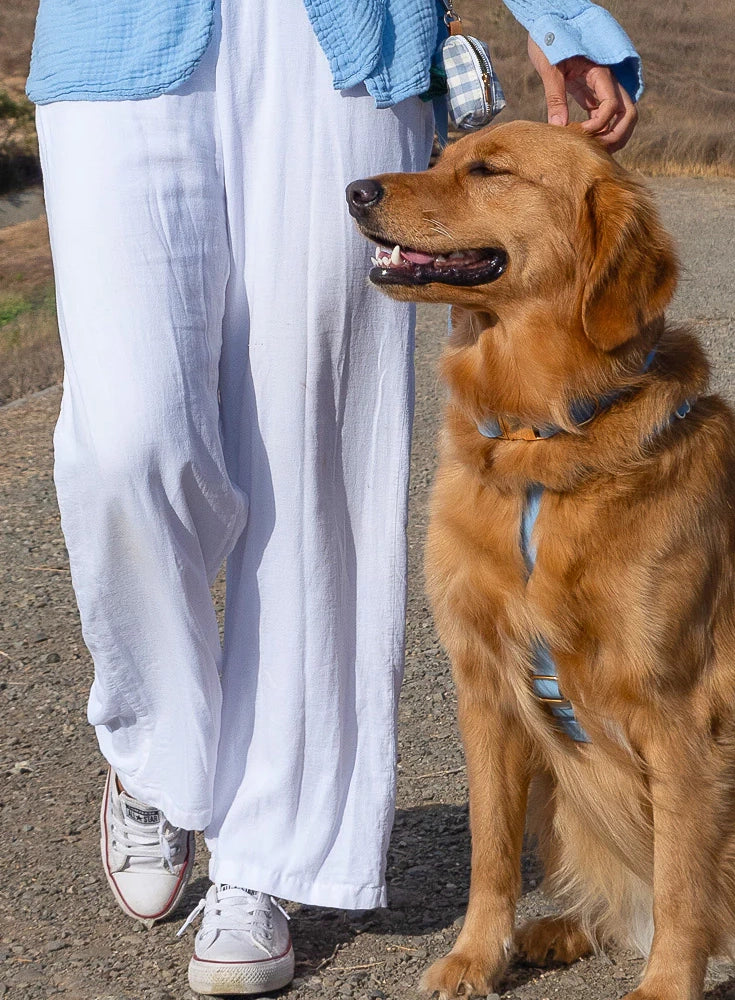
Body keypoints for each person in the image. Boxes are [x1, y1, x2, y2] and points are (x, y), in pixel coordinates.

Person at [26, 0, 641, 994]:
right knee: (126, 442)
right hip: (117, 31)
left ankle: (266, 855)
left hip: (338, 40)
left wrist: (561, 16)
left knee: (314, 453)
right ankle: (156, 749)